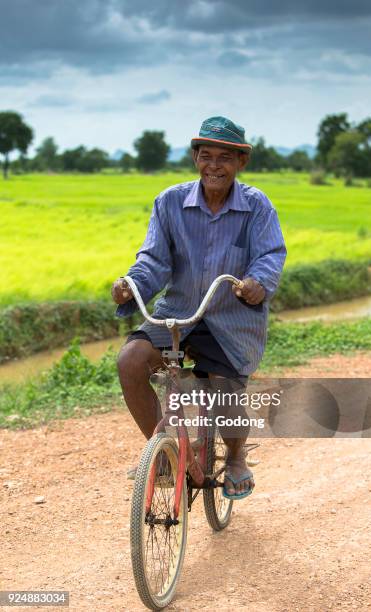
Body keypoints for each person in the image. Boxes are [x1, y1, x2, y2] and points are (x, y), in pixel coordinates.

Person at [112, 116, 286, 499]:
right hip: (178, 312)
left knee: (222, 390)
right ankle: (164, 453)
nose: (214, 166)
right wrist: (132, 285)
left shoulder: (257, 207)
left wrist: (259, 283)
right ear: (195, 159)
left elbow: (270, 254)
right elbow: (153, 261)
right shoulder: (170, 201)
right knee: (130, 362)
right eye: (206, 156)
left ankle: (237, 457)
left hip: (230, 317)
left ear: (241, 162)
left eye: (225, 157)